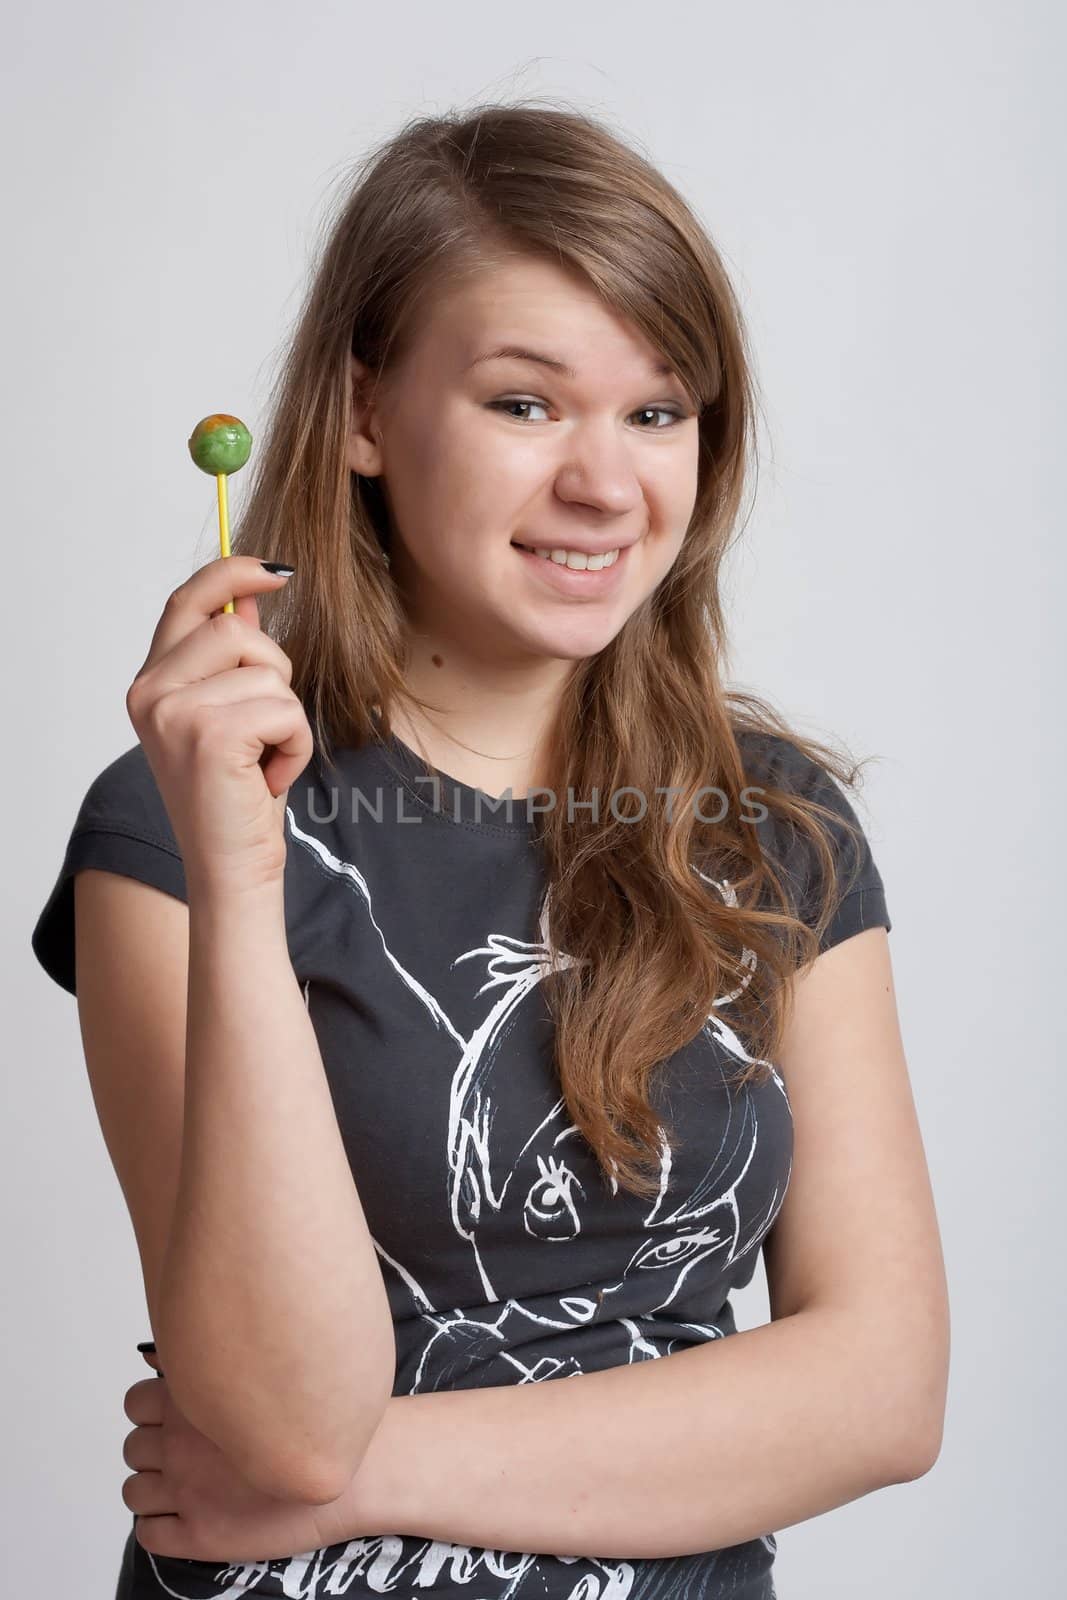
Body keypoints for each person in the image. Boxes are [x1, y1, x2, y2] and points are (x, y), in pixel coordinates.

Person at [30, 101, 949, 1600]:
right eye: (526, 405)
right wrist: (243, 869)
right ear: (371, 414)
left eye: (658, 411)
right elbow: (273, 1407)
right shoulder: (175, 821)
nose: (606, 484)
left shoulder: (777, 828)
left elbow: (884, 1390)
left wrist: (352, 1474)